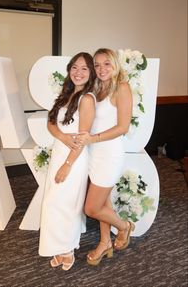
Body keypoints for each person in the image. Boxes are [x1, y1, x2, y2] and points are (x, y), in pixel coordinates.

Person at [39, 52, 96, 271]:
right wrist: (62, 137)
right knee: (55, 202)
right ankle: (60, 245)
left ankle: (68, 248)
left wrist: (68, 164)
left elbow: (82, 138)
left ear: (90, 73)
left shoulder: (87, 99)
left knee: (66, 204)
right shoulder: (67, 94)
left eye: (84, 68)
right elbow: (51, 123)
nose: (78, 72)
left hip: (74, 158)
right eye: (74, 67)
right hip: (59, 153)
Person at [77, 48, 134, 266]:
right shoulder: (97, 87)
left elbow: (123, 127)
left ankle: (123, 226)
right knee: (103, 203)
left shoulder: (122, 87)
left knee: (91, 208)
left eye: (106, 64)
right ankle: (104, 243)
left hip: (109, 154)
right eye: (97, 65)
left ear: (115, 65)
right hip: (94, 153)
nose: (102, 69)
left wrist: (93, 138)